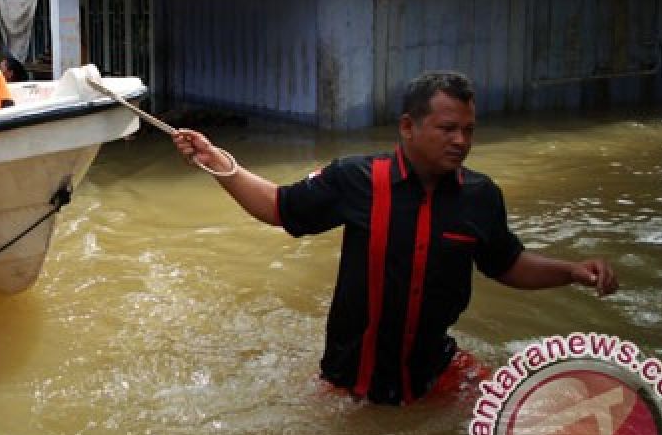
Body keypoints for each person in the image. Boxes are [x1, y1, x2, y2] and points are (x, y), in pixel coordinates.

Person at [171, 70, 619, 406]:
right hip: (350, 381)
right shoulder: (356, 179)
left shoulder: (481, 196)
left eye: (468, 130)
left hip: (437, 371)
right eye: (447, 129)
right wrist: (215, 160)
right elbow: (278, 206)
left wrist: (572, 272)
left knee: (519, 416)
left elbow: (507, 263)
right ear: (408, 128)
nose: (461, 141)